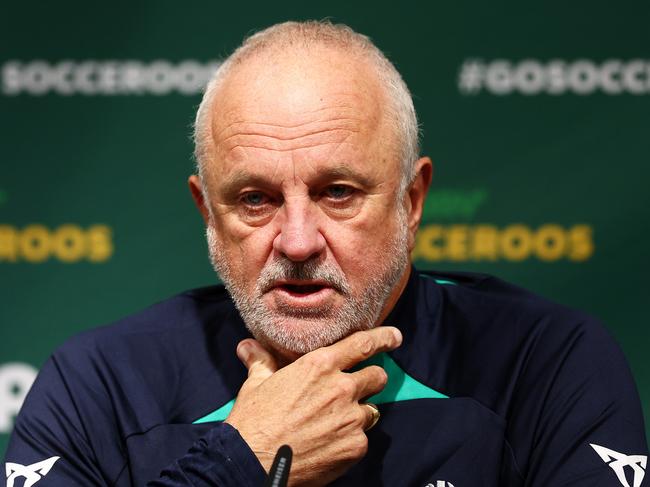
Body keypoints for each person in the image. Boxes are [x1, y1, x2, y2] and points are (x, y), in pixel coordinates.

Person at [4, 20, 648, 487]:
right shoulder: (101, 384)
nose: (299, 240)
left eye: (338, 193)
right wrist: (241, 464)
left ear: (412, 199)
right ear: (208, 212)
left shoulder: (545, 363)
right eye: (255, 200)